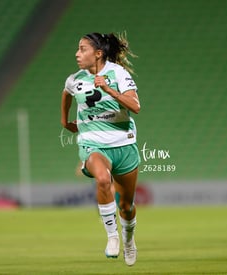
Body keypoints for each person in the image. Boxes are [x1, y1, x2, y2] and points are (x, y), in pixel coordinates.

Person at [61, 32, 140, 266]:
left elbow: (135, 106)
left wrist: (109, 90)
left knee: (126, 205)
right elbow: (66, 94)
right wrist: (65, 122)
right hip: (92, 143)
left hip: (123, 143)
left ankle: (128, 240)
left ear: (98, 53)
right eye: (77, 48)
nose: (77, 53)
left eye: (82, 49)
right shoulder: (74, 79)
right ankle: (112, 236)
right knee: (103, 180)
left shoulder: (118, 74)